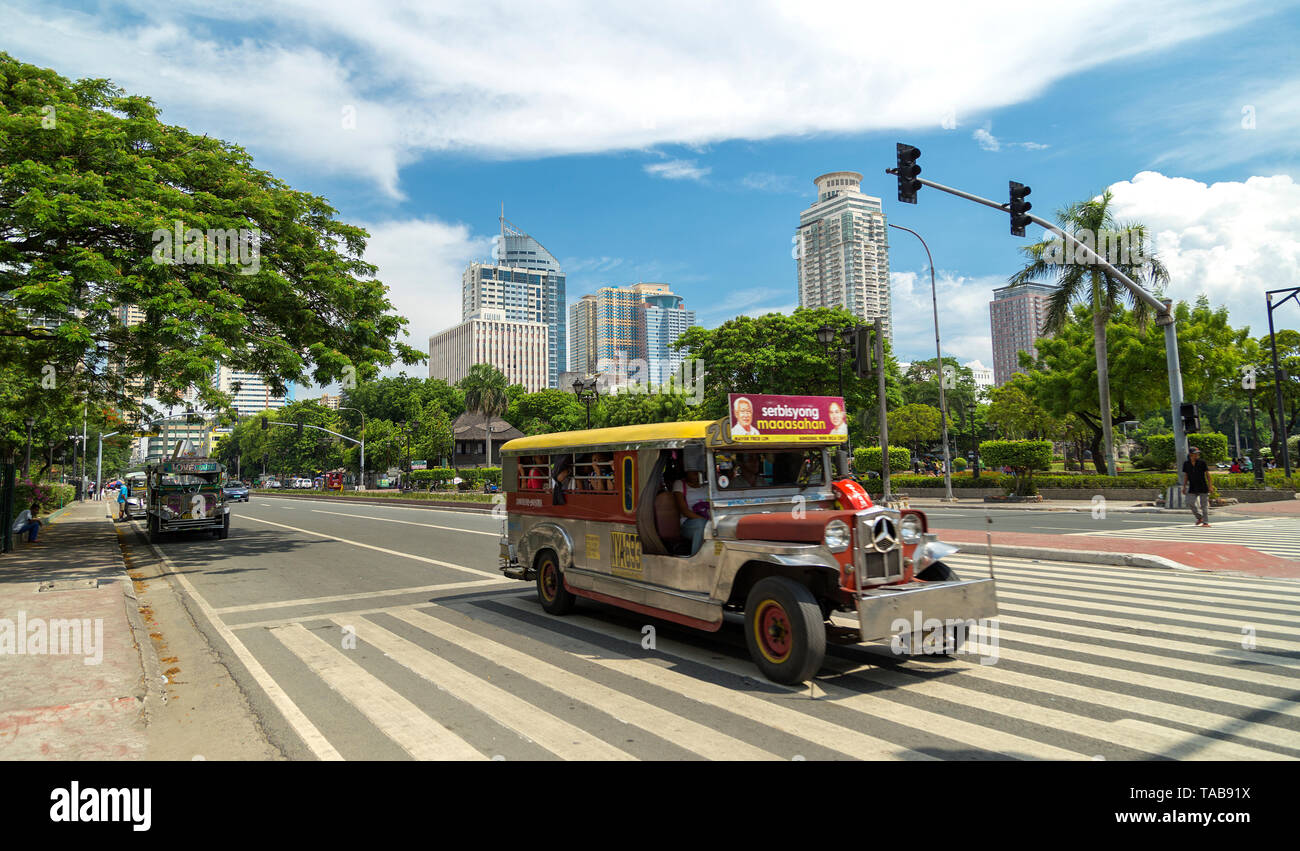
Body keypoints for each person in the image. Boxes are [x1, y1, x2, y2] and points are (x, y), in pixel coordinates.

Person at [672, 469, 710, 556]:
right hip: (688, 522)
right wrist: (707, 521)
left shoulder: (708, 484)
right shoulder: (679, 484)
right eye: (692, 470)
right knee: (702, 525)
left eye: (698, 469)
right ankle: (697, 557)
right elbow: (684, 511)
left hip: (709, 518)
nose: (696, 472)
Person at [1181, 445, 1212, 527]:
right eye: (1195, 454)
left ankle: (1205, 522)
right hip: (1192, 487)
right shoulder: (1186, 464)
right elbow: (1186, 476)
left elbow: (1207, 475)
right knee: (1189, 502)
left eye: (1198, 454)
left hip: (1203, 486)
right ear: (1190, 455)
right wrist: (1184, 487)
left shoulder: (1202, 463)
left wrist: (1210, 486)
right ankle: (1199, 517)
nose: (1197, 455)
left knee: (1203, 506)